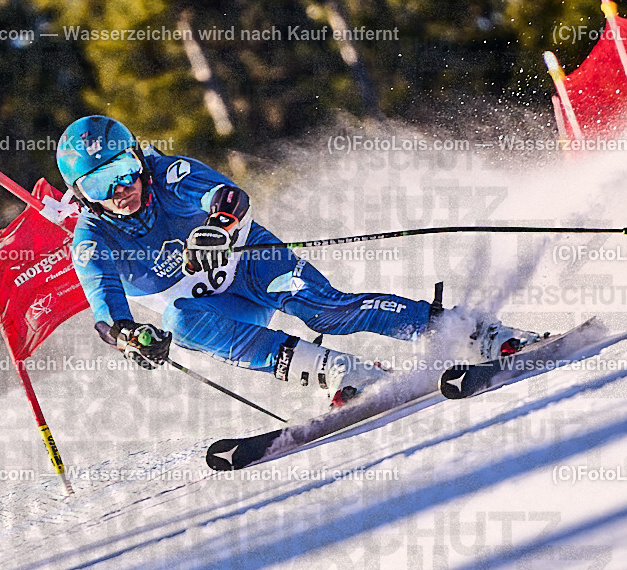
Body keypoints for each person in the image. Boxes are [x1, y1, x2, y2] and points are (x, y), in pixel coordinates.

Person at [56, 115, 538, 406]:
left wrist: (216, 230)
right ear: (81, 196)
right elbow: (106, 307)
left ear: (137, 158)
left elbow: (229, 195)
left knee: (323, 309)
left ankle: (476, 333)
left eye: (122, 171)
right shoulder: (94, 238)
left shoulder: (166, 172)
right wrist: (131, 337)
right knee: (180, 322)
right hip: (219, 312)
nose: (122, 190)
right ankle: (342, 373)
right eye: (101, 185)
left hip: (252, 262)